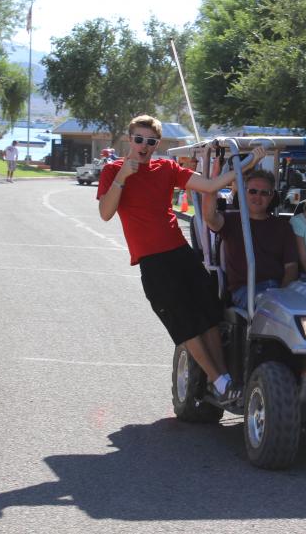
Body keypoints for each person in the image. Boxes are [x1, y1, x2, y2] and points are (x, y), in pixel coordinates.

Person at [97, 115, 264, 404]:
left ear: (157, 144)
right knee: (185, 324)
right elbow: (105, 213)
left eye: (150, 141)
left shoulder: (167, 168)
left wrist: (247, 164)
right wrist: (123, 177)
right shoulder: (113, 171)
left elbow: (210, 186)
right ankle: (217, 379)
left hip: (180, 253)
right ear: (129, 140)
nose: (144, 146)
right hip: (152, 262)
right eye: (139, 139)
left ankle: (224, 380)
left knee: (209, 315)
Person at [202, 168, 298, 310]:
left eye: (264, 193)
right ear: (243, 193)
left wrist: (282, 294)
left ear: (272, 196)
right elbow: (209, 216)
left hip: (279, 288)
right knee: (271, 309)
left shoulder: (283, 227)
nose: (257, 197)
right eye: (253, 191)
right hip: (245, 290)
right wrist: (215, 178)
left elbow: (291, 267)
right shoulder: (230, 221)